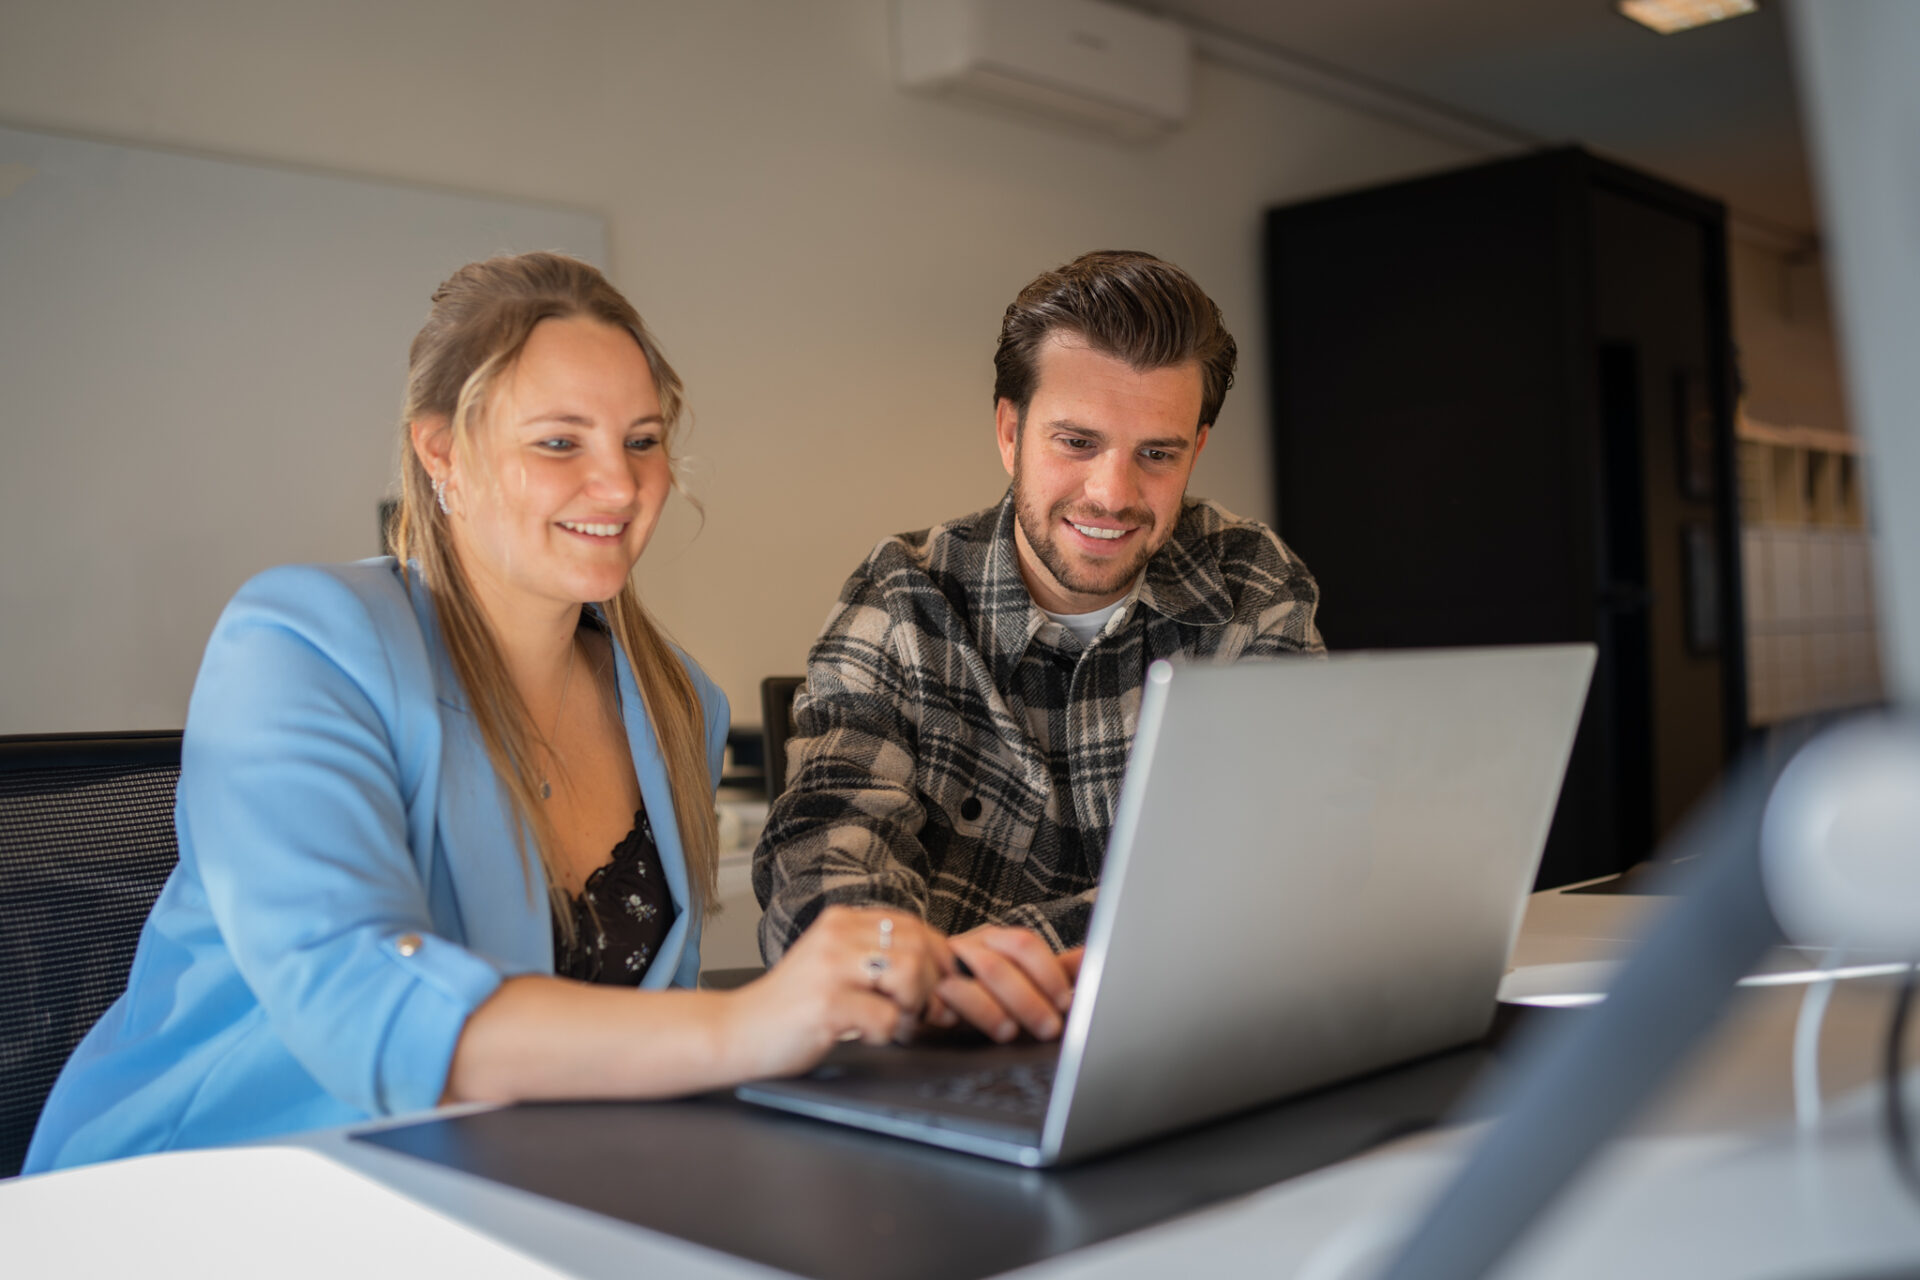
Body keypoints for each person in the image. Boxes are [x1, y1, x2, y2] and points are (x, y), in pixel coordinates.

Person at [26, 252, 949, 1174]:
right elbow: (360, 999)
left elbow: (623, 1030)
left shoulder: (677, 702)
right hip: (203, 1193)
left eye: (641, 439)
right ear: (442, 454)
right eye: (559, 443)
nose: (621, 487)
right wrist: (746, 1024)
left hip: (489, 1190)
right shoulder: (302, 645)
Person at [753, 250, 1323, 1044]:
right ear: (1009, 431)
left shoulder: (1248, 582)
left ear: (1194, 450)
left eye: (1155, 454)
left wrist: (974, 962)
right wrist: (911, 971)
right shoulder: (903, 599)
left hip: (1186, 1039)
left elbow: (1283, 860)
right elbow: (821, 867)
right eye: (1077, 442)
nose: (1113, 494)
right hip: (950, 1057)